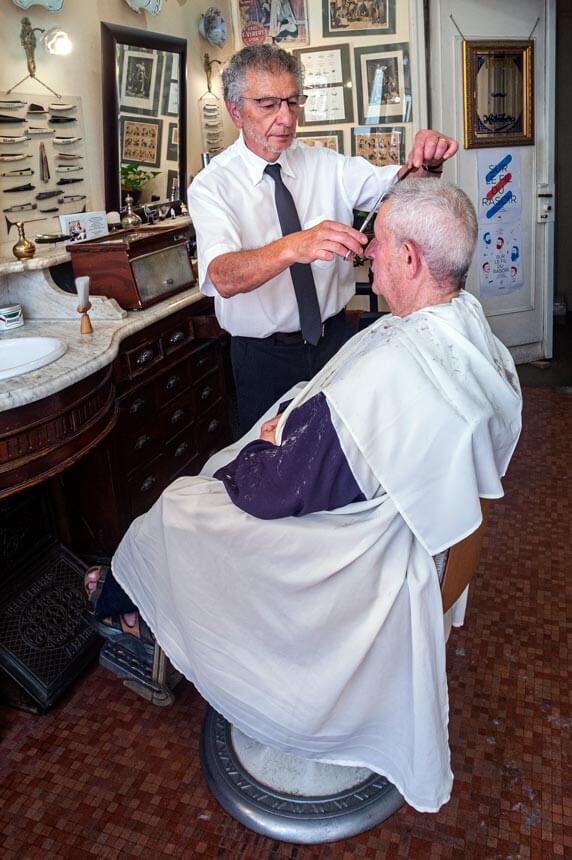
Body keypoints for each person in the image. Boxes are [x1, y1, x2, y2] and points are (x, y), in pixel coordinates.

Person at [85, 179, 522, 812]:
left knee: (183, 502)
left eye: (379, 242)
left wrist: (271, 442)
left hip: (358, 561)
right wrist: (302, 427)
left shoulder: (392, 380)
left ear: (409, 261)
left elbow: (268, 493)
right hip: (418, 531)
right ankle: (140, 604)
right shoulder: (467, 325)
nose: (367, 250)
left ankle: (129, 606)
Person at [187, 44, 458, 434]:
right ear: (234, 110)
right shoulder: (212, 187)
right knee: (273, 458)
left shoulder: (325, 165)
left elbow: (400, 187)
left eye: (292, 102)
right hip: (264, 358)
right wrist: (295, 245)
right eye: (267, 105)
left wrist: (428, 161)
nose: (285, 118)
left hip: (334, 342)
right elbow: (223, 278)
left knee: (340, 449)